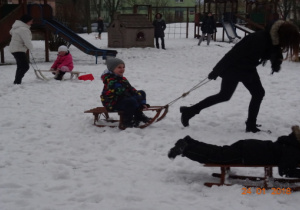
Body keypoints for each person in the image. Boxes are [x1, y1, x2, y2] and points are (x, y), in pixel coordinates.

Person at [180, 20, 300, 132]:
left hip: (248, 69)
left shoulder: (272, 40)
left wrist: (276, 62)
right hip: (234, 68)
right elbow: (233, 54)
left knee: (257, 93)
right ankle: (189, 111)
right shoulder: (259, 39)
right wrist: (216, 70)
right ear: (284, 35)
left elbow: (274, 51)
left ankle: (251, 125)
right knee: (225, 96)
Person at [168, 125, 300, 178]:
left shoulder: (290, 142)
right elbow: (285, 170)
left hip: (250, 146)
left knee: (219, 151)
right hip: (248, 154)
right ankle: (185, 148)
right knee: (216, 157)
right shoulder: (294, 150)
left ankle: (190, 142)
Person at [100, 57, 151, 128]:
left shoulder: (122, 78)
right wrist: (137, 98)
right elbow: (122, 92)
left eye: (123, 67)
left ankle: (139, 115)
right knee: (130, 101)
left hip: (122, 99)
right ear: (112, 69)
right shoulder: (111, 80)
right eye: (119, 67)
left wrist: (141, 100)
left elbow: (131, 89)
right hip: (112, 103)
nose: (122, 69)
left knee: (141, 92)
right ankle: (127, 121)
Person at [9, 14, 33, 84]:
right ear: (26, 21)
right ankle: (17, 81)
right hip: (18, 49)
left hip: (15, 49)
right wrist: (30, 47)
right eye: (31, 21)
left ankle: (17, 81)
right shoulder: (23, 29)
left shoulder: (16, 27)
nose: (32, 23)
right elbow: (27, 40)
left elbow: (11, 33)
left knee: (20, 66)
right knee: (25, 66)